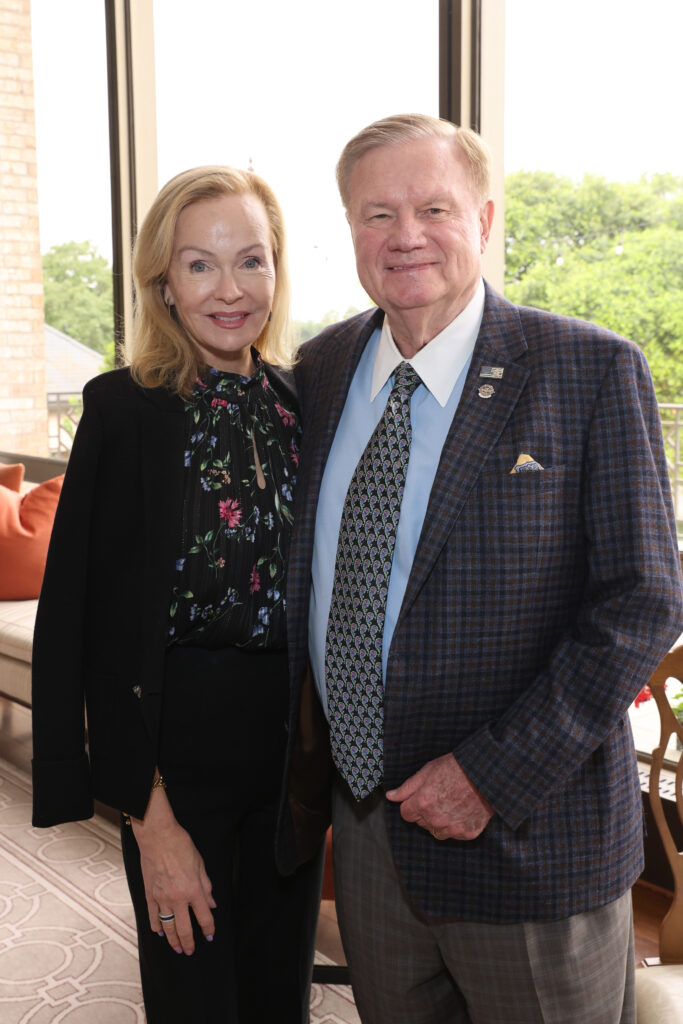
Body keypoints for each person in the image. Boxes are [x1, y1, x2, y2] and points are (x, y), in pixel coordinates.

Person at [283, 113, 683, 1024]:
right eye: (376, 214)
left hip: (530, 841)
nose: (405, 235)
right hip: (370, 835)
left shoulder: (587, 370)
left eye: (433, 206)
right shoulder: (318, 369)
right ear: (348, 230)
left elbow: (643, 597)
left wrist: (490, 779)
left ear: (487, 218)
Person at [31, 165, 324, 1024]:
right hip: (174, 752)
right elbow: (79, 620)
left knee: (278, 998)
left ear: (277, 271)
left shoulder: (296, 402)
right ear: (163, 279)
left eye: (252, 261)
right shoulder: (123, 410)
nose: (230, 290)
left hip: (286, 753)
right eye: (199, 265)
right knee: (193, 996)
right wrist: (146, 816)